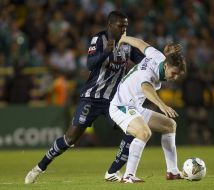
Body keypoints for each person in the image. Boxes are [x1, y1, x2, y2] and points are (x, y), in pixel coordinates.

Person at [24, 10, 144, 184]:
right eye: (121, 26)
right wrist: (105, 52)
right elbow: (90, 64)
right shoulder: (99, 39)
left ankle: (113, 171)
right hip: (92, 98)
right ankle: (40, 167)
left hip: (114, 100)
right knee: (70, 138)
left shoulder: (128, 44)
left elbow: (143, 61)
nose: (124, 29)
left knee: (134, 130)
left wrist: (159, 59)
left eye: (126, 26)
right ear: (110, 25)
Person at [109, 33, 186, 183]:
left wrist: (124, 39)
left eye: (178, 75)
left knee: (170, 125)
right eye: (174, 73)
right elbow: (146, 89)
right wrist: (162, 105)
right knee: (144, 133)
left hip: (134, 107)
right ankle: (128, 176)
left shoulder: (158, 56)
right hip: (121, 106)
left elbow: (140, 43)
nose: (175, 77)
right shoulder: (149, 73)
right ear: (166, 66)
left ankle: (173, 172)